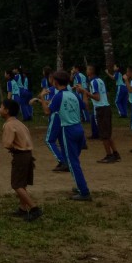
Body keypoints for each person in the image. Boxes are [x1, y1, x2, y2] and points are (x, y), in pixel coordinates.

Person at [42, 70, 91, 201]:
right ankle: (80, 186)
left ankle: (84, 192)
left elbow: (47, 111)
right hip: (79, 129)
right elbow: (85, 106)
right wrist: (84, 93)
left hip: (68, 130)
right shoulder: (73, 94)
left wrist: (41, 98)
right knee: (74, 160)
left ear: (55, 82)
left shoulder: (58, 96)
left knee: (72, 163)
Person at [0, 98, 41, 221]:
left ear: (6, 111)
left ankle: (34, 208)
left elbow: (7, 144)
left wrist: (13, 148)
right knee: (22, 183)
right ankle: (23, 208)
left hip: (20, 155)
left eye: (1, 107)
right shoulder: (20, 123)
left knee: (16, 185)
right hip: (28, 154)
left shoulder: (8, 125)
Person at [81, 65, 119, 163]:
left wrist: (85, 92)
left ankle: (109, 155)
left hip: (101, 109)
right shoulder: (100, 80)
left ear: (91, 71)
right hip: (106, 107)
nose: (86, 71)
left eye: (87, 69)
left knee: (104, 135)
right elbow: (103, 95)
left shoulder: (93, 82)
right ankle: (115, 153)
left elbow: (97, 97)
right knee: (107, 133)